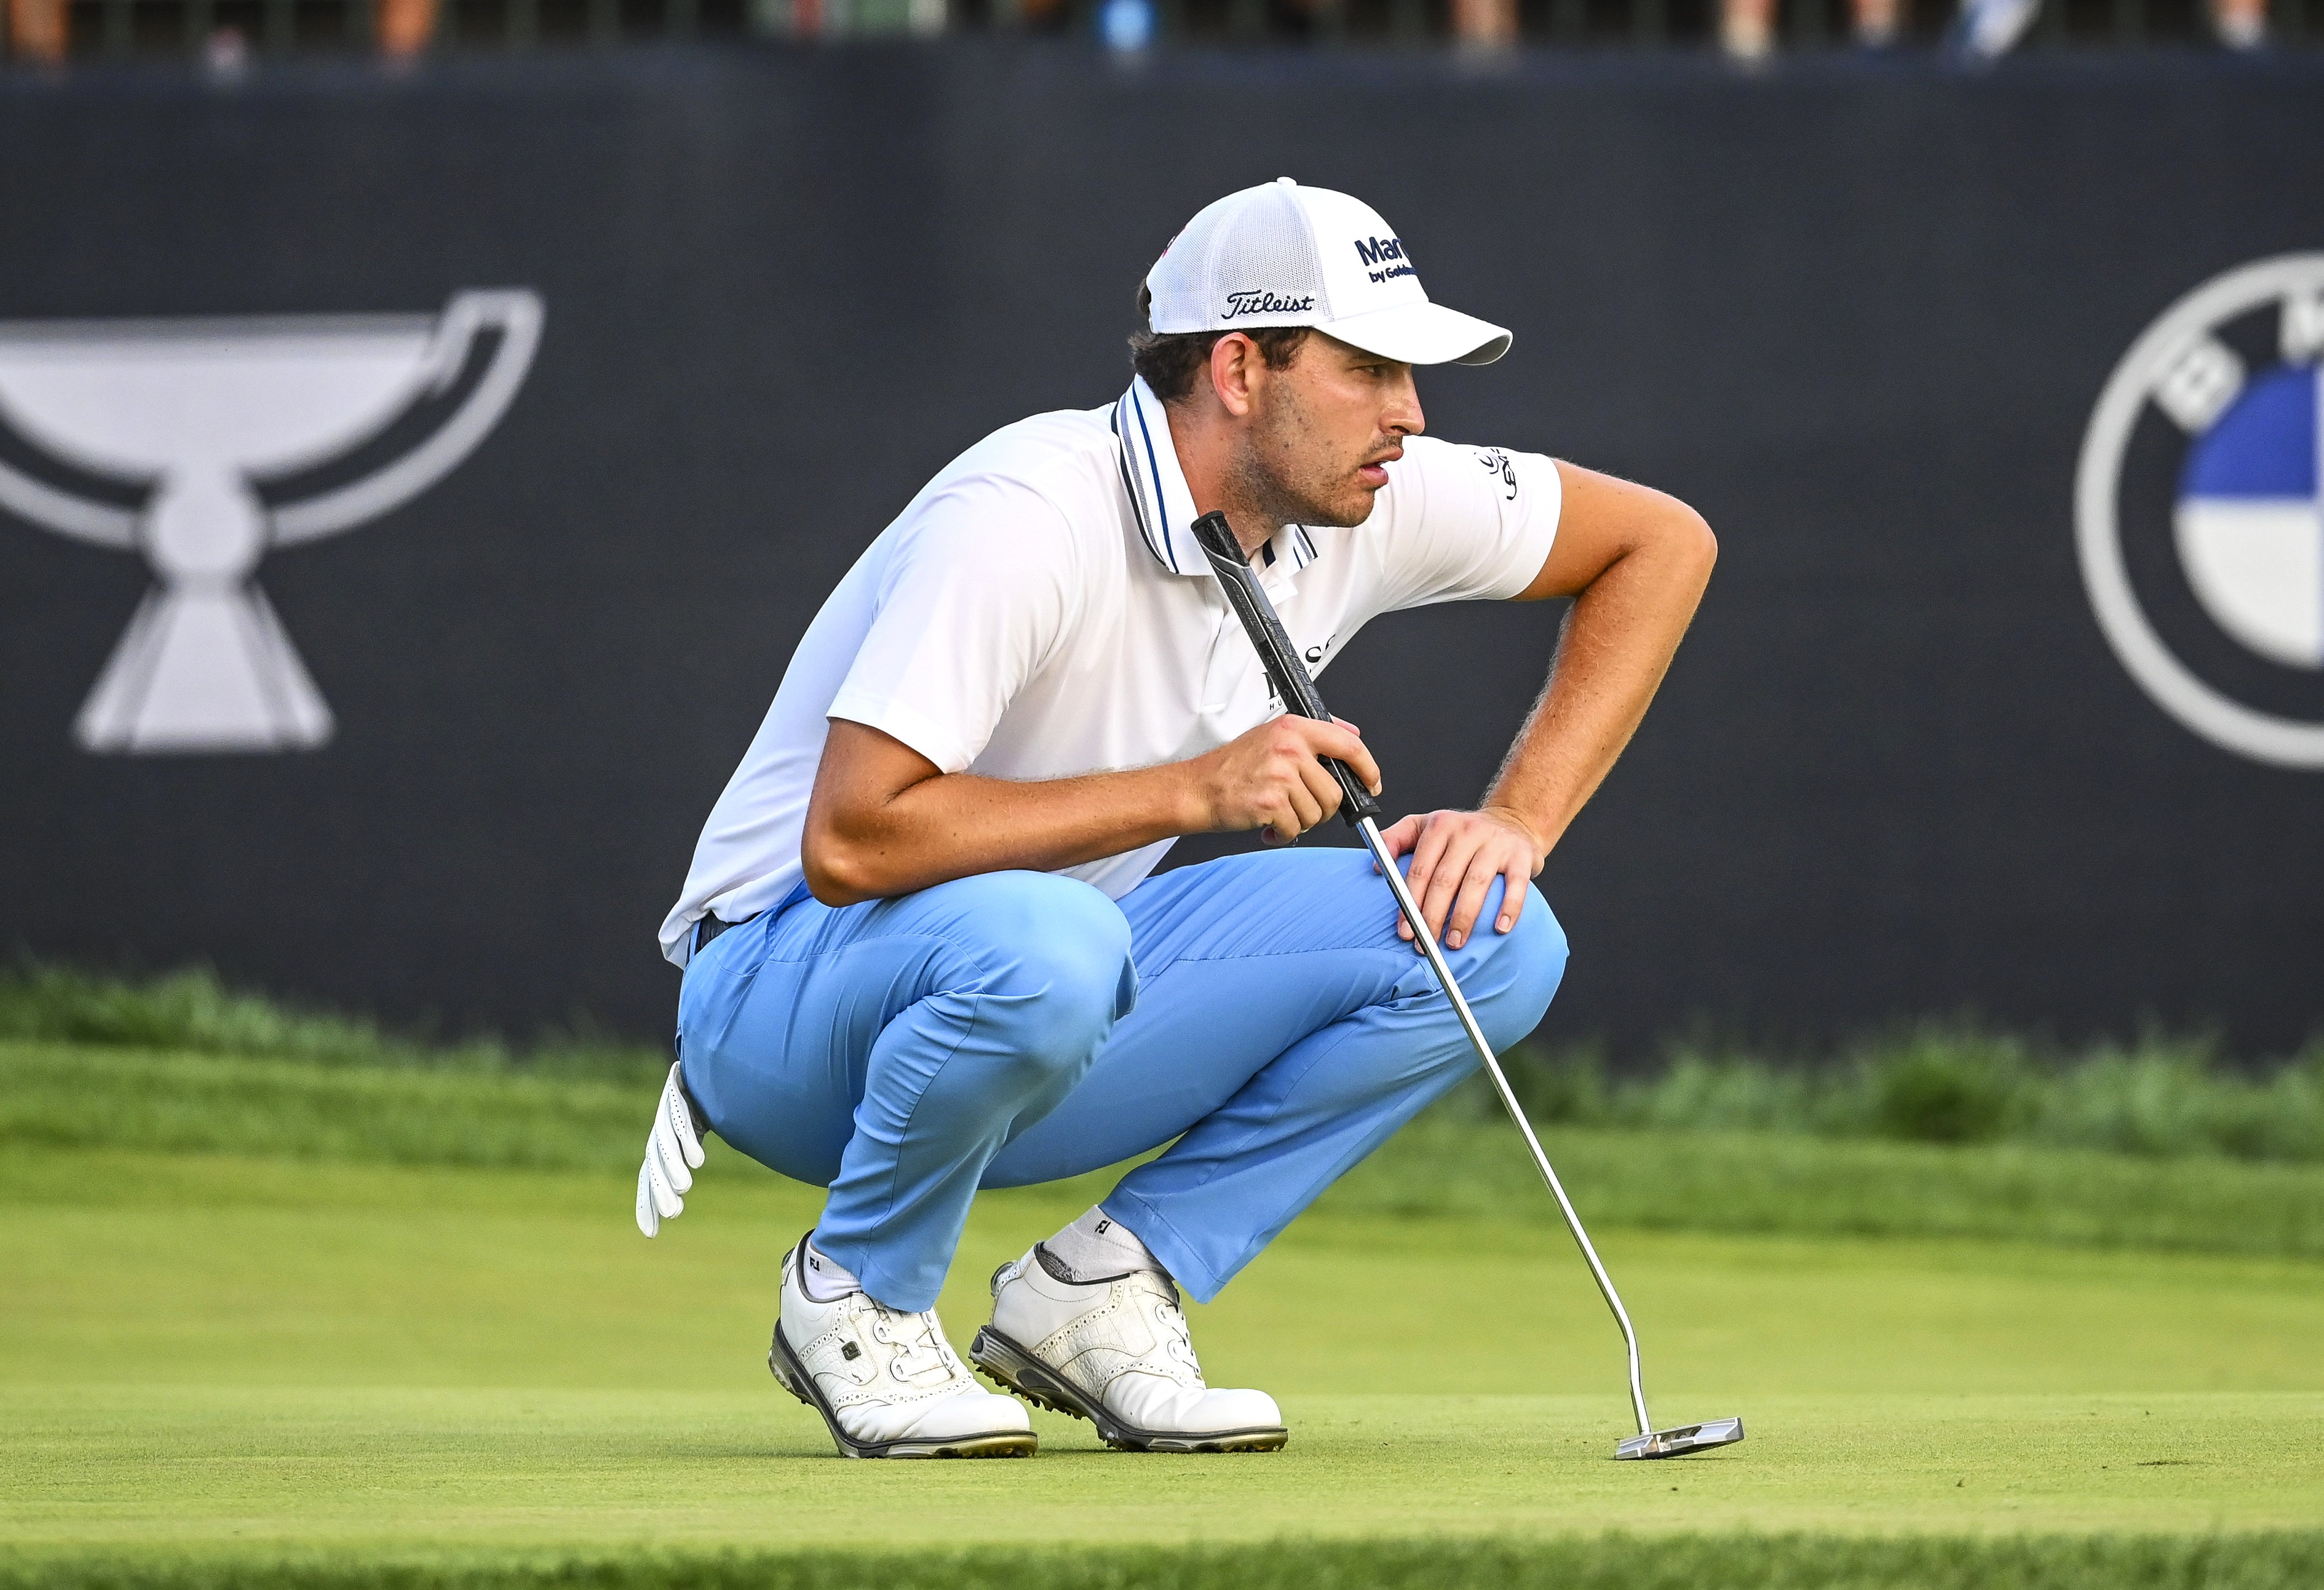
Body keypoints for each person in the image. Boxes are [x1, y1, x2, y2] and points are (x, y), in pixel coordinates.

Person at [636, 178, 1717, 1460]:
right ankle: (856, 1293)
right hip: (782, 999)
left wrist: (1518, 823)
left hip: (1046, 989)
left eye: (1411, 374)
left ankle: (1100, 1294)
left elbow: (1663, 543)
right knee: (1053, 945)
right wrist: (1194, 791)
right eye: (1369, 368)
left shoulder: (1366, 492)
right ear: (1242, 367)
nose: (1409, 415)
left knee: (1492, 934)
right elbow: (854, 839)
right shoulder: (1029, 511)